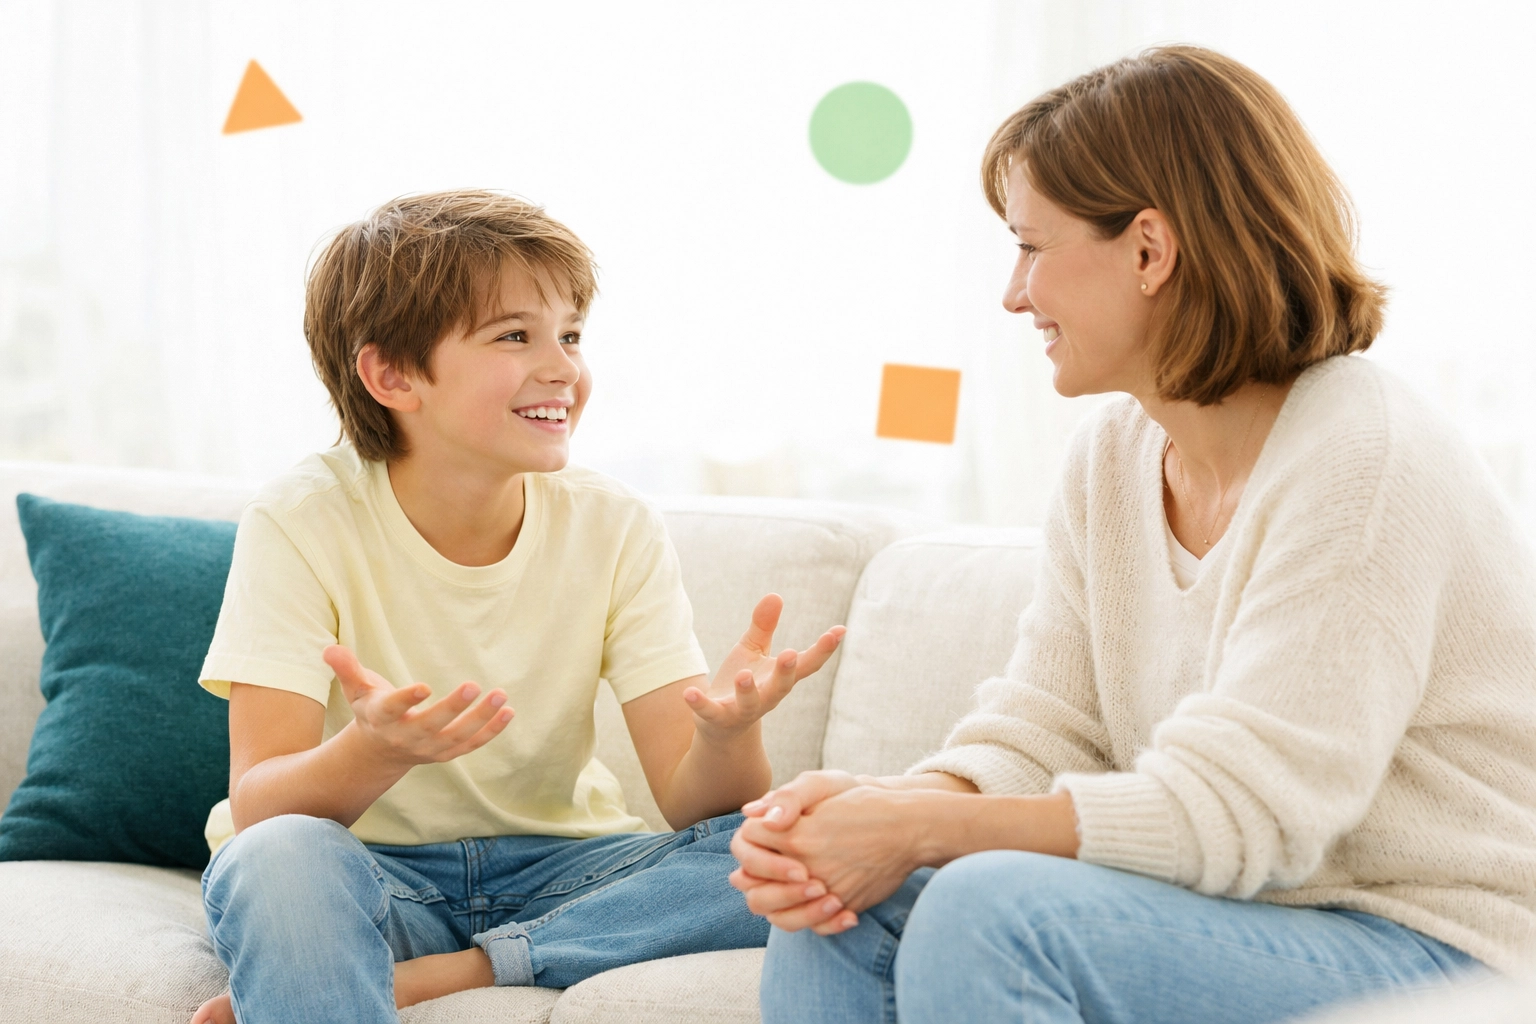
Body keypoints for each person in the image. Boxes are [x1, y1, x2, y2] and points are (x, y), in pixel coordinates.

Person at [730, 45, 1536, 1024]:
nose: (1013, 294)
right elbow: (1047, 725)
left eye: (1032, 247)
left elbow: (1251, 810)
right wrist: (881, 807)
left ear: (1150, 251)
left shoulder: (1367, 457)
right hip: (1238, 911)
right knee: (837, 906)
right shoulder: (1113, 454)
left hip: (1431, 939)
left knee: (989, 910)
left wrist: (923, 822)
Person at [189, 190, 845, 1024]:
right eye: (515, 336)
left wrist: (726, 733)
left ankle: (466, 970)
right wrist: (375, 751)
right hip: (369, 873)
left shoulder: (613, 523)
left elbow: (695, 805)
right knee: (275, 857)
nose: (563, 367)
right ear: (392, 374)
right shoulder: (301, 519)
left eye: (570, 335)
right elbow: (261, 803)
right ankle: (476, 958)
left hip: (567, 870)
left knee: (800, 840)